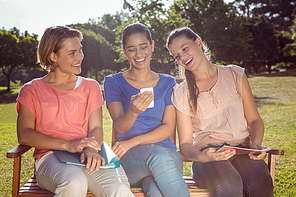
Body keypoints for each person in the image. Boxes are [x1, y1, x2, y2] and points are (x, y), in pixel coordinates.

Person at [16, 26, 134, 197]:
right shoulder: (31, 90)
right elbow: (25, 135)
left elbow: (96, 128)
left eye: (80, 50)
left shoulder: (90, 86)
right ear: (53, 56)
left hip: (89, 154)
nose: (79, 57)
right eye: (72, 53)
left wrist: (91, 149)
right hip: (50, 158)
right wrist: (68, 145)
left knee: (120, 190)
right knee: (75, 182)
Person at [166, 27, 274, 197]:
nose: (182, 57)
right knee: (229, 184)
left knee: (260, 186)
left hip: (243, 150)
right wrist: (204, 157)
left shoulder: (235, 74)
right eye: (176, 56)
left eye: (185, 49)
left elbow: (254, 120)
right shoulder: (182, 92)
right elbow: (186, 145)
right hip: (208, 156)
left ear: (198, 42)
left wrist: (256, 144)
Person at [104, 23, 190, 197]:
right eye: (131, 49)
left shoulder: (168, 83)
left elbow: (168, 127)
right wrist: (133, 112)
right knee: (158, 158)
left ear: (151, 46)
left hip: (165, 152)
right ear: (124, 51)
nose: (139, 54)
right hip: (131, 158)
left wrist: (133, 141)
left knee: (154, 190)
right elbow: (120, 127)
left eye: (143, 47)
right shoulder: (113, 82)